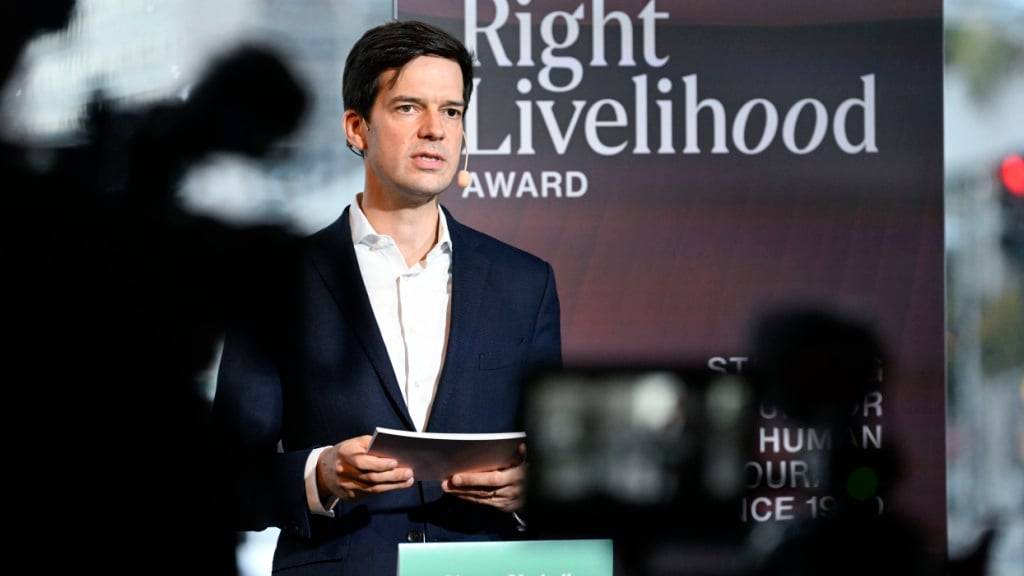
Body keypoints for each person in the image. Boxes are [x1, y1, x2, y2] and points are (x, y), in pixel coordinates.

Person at [214, 20, 561, 575]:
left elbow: (559, 459)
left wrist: (532, 487)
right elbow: (228, 478)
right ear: (357, 128)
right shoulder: (274, 281)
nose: (435, 130)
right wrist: (320, 475)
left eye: (451, 111)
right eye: (408, 108)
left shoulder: (525, 282)